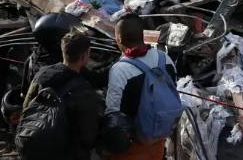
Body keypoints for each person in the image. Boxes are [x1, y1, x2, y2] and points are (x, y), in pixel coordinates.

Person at [106, 14, 177, 160]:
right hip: (159, 135)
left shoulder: (121, 69)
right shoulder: (165, 59)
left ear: (119, 38)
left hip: (133, 146)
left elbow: (114, 115)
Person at [21, 31, 102, 160]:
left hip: (36, 144)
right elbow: (88, 136)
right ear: (84, 55)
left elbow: (26, 106)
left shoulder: (41, 74)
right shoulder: (84, 91)